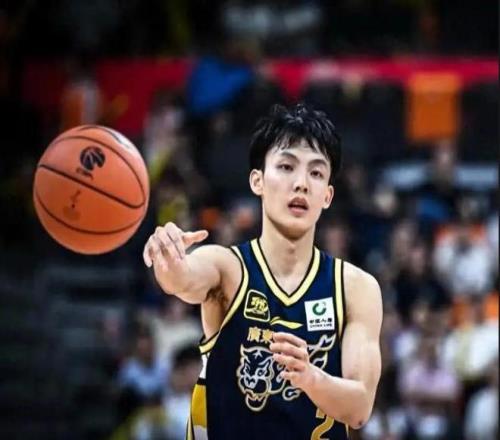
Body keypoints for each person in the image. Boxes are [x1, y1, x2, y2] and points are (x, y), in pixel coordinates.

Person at [143, 104, 383, 439]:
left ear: (327, 196)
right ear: (257, 181)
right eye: (286, 167)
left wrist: (310, 377)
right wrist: (168, 259)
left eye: (316, 173)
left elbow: (359, 409)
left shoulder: (355, 288)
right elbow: (182, 279)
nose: (301, 184)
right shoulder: (227, 268)